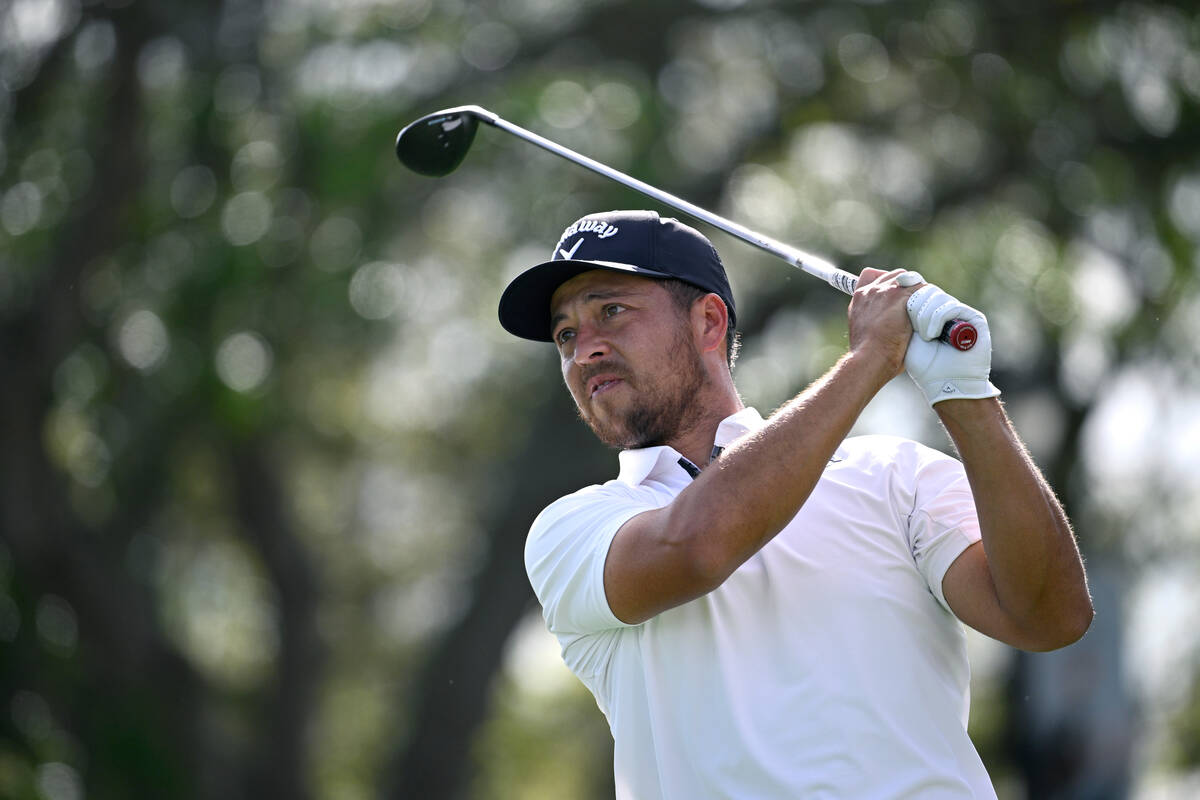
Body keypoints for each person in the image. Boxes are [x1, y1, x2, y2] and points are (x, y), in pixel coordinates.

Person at [497, 209, 1093, 799]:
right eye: (566, 334)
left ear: (708, 322)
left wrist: (964, 393)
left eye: (611, 311)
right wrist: (867, 361)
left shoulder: (892, 478)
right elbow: (699, 548)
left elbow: (1049, 618)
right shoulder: (574, 529)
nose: (585, 351)